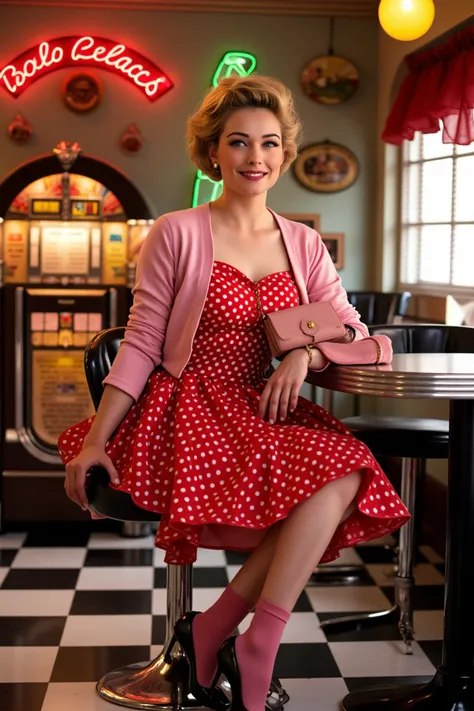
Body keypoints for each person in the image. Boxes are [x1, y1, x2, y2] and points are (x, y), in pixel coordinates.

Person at [59, 75, 410, 711]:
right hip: (189, 406)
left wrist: (302, 356)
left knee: (344, 473)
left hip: (267, 407)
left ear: (284, 154)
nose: (256, 157)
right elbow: (140, 342)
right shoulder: (177, 230)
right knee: (328, 479)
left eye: (270, 143)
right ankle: (230, 638)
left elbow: (354, 331)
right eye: (239, 142)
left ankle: (241, 633)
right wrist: (97, 438)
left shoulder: (304, 243)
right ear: (213, 152)